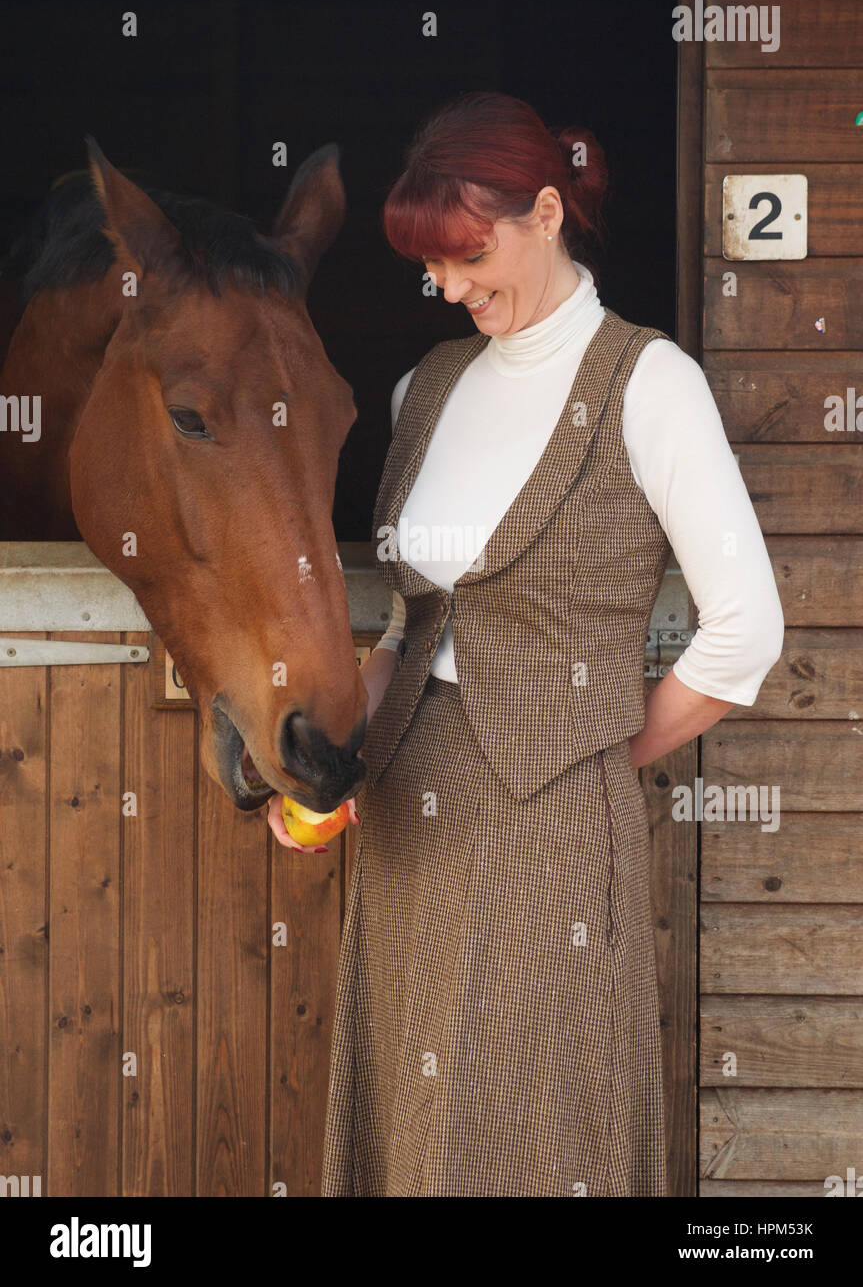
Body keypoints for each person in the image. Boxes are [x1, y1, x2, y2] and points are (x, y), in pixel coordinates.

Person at [267, 90, 785, 1196]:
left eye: (467, 255)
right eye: (433, 268)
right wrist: (333, 766)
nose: (450, 288)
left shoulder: (648, 382)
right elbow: (410, 621)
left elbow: (744, 631)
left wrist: (599, 756)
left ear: (545, 211)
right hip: (408, 815)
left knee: (527, 1123)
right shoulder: (426, 387)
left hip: (549, 825)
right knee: (410, 1117)